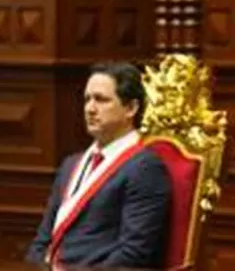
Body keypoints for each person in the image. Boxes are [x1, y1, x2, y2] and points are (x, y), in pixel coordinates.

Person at [26, 61, 171, 268]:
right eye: (87, 99)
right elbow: (41, 241)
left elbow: (133, 253)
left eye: (101, 100)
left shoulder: (145, 168)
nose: (90, 109)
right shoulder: (71, 164)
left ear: (131, 108)